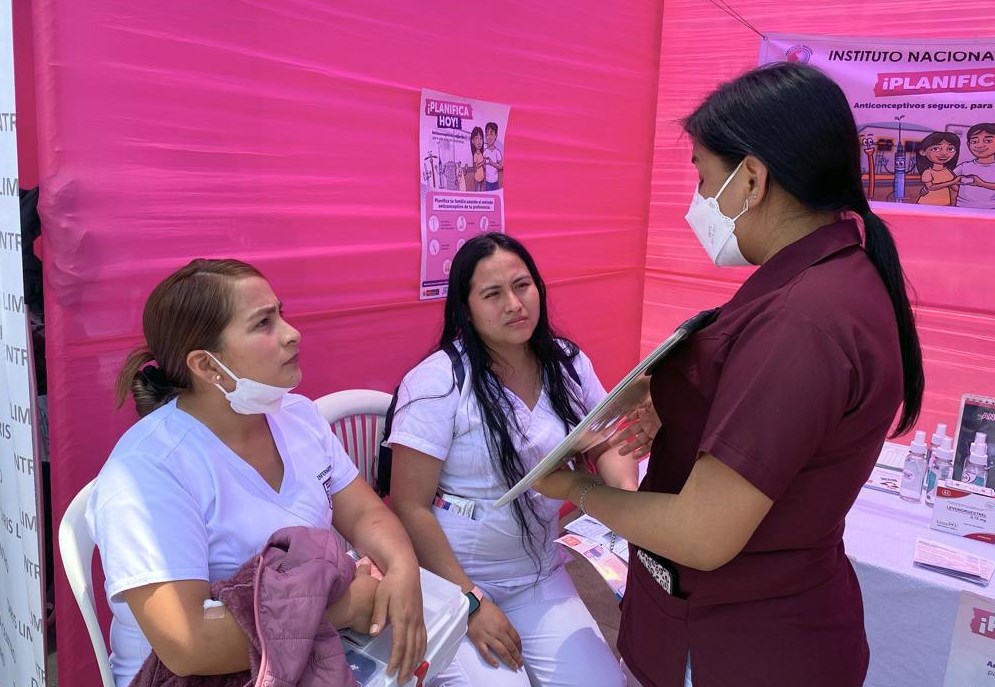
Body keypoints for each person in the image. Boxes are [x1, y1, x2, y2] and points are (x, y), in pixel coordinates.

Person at [534, 62, 924, 687]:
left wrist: (580, 494)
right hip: (745, 619)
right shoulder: (833, 280)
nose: (697, 202)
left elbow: (702, 534)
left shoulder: (802, 322)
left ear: (751, 179)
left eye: (701, 176)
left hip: (740, 642)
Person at [86, 259, 426, 687]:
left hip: (305, 652)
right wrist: (341, 608)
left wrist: (402, 567)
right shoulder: (147, 471)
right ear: (207, 367)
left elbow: (364, 514)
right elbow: (188, 645)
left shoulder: (298, 417)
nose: (291, 333)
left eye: (281, 313)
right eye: (264, 323)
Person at [387, 233, 633, 687]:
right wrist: (469, 601)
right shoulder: (436, 383)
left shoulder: (567, 363)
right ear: (465, 308)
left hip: (539, 575)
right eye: (493, 294)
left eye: (522, 286)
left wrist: (630, 501)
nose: (514, 304)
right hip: (450, 584)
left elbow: (604, 441)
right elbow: (408, 506)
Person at [953, 123, 995, 209]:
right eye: (974, 142)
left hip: (991, 210)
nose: (979, 145)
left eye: (987, 141)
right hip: (962, 208)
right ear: (968, 144)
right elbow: (948, 180)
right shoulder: (964, 167)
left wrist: (983, 184)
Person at [915, 131, 960, 206]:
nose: (944, 153)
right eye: (936, 149)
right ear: (923, 152)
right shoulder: (928, 172)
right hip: (926, 204)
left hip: (945, 204)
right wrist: (951, 183)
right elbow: (930, 187)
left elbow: (955, 189)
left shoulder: (948, 171)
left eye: (950, 149)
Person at [483, 122, 504, 191]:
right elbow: (483, 166)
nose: (489, 137)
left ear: (496, 135)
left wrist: (492, 164)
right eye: (487, 134)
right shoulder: (485, 152)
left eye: (491, 134)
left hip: (495, 182)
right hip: (487, 182)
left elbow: (501, 166)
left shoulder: (497, 152)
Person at [470, 126, 486, 192]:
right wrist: (483, 162)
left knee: (483, 193)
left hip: (482, 177)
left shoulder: (482, 154)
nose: (479, 141)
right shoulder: (475, 155)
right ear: (472, 141)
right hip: (477, 178)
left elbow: (483, 167)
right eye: (477, 138)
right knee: (478, 193)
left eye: (481, 139)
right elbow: (477, 166)